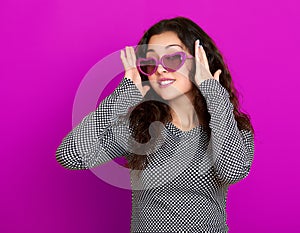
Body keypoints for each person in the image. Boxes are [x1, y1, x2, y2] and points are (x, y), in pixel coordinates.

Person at [56, 16, 255, 233]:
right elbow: (71, 155)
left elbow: (232, 171)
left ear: (200, 62)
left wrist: (214, 93)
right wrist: (122, 96)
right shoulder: (139, 128)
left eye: (172, 58)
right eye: (151, 63)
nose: (160, 70)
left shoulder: (230, 127)